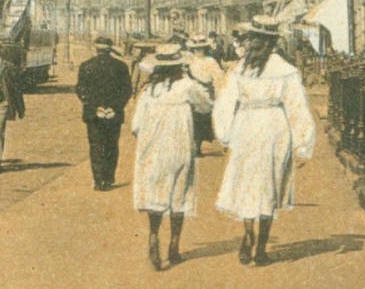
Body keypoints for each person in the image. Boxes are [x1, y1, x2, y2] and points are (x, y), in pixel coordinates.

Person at [213, 15, 315, 265]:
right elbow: (297, 108)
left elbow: (225, 103)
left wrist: (224, 133)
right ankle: (261, 247)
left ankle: (248, 235)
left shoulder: (240, 69)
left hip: (246, 127)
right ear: (274, 41)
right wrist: (302, 144)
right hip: (275, 127)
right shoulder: (286, 70)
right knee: (270, 184)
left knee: (248, 184)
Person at [132, 43, 212, 270]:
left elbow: (136, 125)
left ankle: (153, 235)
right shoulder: (188, 86)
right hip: (179, 145)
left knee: (155, 192)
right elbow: (206, 107)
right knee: (179, 193)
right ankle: (174, 246)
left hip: (152, 147)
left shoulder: (149, 91)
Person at [75, 35, 132, 191]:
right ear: (110, 49)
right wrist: (114, 107)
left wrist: (96, 108)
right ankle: (109, 178)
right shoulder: (121, 66)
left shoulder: (86, 66)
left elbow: (81, 90)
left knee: (96, 146)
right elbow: (126, 90)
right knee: (112, 145)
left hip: (93, 114)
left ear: (96, 49)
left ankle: (98, 180)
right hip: (114, 113)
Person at [0, 37, 25, 173]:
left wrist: (20, 108)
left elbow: (17, 89)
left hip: (1, 104)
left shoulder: (8, 67)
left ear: (0, 50)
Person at [185, 34, 224, 156]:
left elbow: (218, 77)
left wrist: (218, 91)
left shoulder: (210, 61)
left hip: (204, 92)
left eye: (201, 48)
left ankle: (198, 144)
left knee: (201, 119)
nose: (198, 50)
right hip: (192, 92)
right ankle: (194, 144)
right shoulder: (189, 61)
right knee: (193, 118)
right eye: (197, 48)